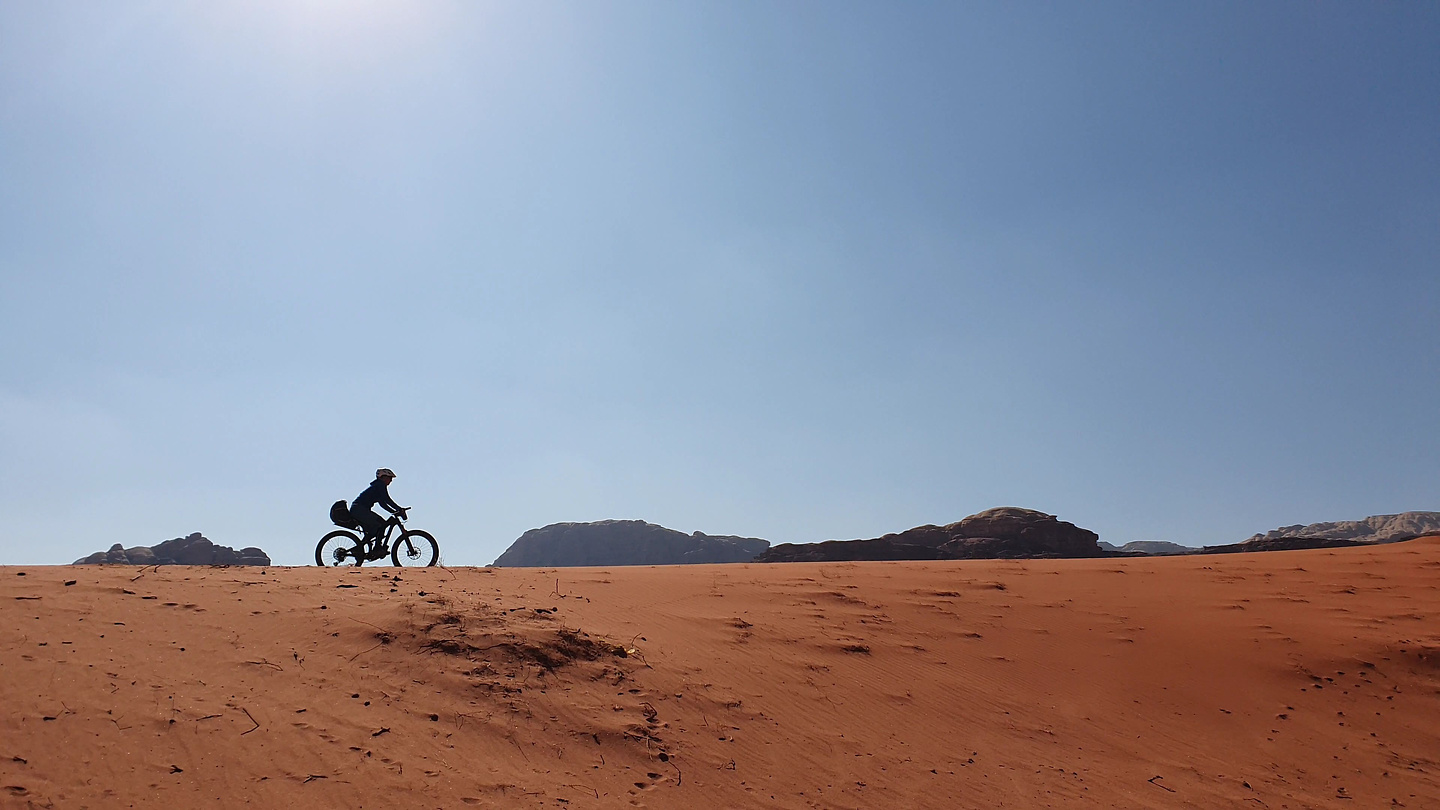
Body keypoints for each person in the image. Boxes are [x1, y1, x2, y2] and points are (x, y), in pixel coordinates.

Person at [350, 468, 408, 555]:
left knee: (377, 528)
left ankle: (363, 548)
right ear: (383, 477)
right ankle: (376, 549)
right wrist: (398, 509)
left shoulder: (377, 486)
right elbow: (387, 499)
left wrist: (394, 511)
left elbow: (382, 503)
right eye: (390, 478)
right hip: (359, 510)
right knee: (380, 524)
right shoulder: (380, 486)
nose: (391, 481)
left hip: (359, 509)